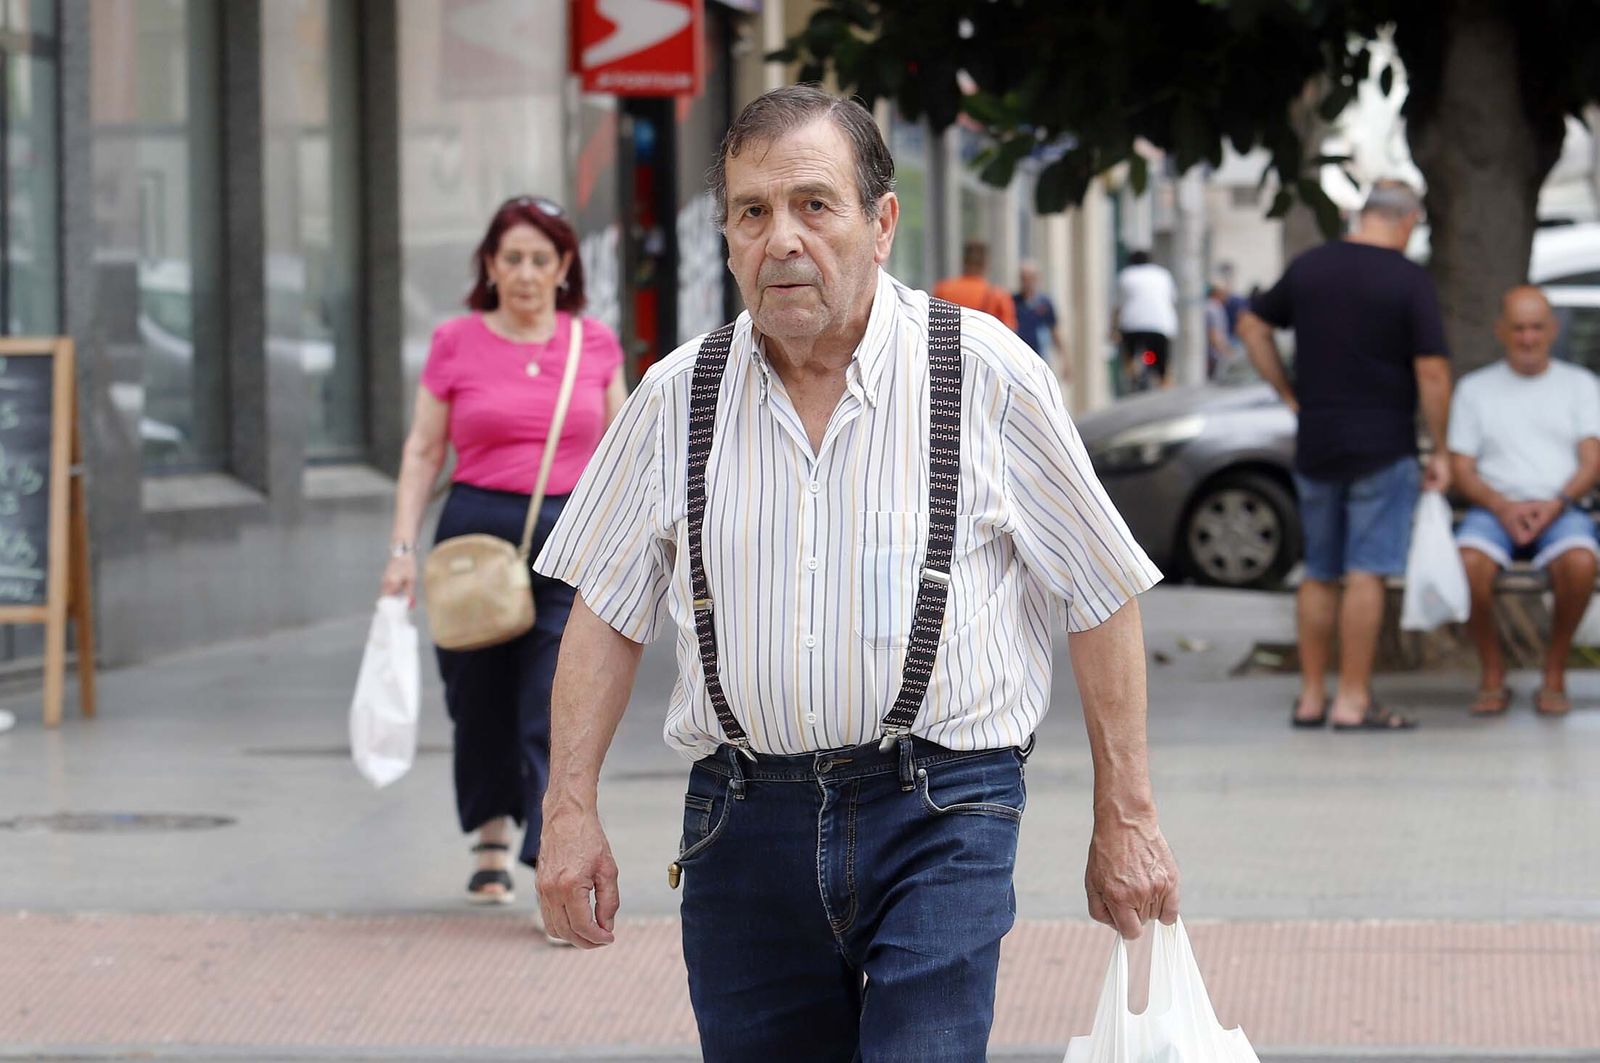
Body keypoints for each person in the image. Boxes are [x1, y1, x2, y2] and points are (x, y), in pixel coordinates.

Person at [532, 85, 1179, 1062]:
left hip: (942, 804)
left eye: (813, 205)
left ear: (881, 223)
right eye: (752, 212)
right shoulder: (676, 398)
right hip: (741, 818)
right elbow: (605, 614)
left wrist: (1124, 816)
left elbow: (1098, 591)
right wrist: (567, 810)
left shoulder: (985, 375)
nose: (781, 239)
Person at [378, 195, 626, 924]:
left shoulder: (594, 343)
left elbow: (627, 452)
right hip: (472, 540)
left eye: (539, 259)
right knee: (477, 701)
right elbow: (424, 450)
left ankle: (551, 865)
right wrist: (399, 548)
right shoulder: (455, 340)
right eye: (510, 258)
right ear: (490, 265)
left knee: (553, 701)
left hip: (569, 537)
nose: (524, 273)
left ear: (564, 267)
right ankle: (489, 831)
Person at [1238, 179, 1453, 732]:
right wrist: (1442, 446)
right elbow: (1431, 371)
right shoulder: (1408, 279)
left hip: (1317, 441)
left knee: (1319, 573)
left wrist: (1287, 393)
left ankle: (1311, 697)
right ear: (1407, 222)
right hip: (1384, 445)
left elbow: (1252, 324)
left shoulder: (1311, 267)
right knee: (1366, 573)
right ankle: (1353, 700)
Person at [1449, 286, 1600, 717]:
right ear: (1501, 331)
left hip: (1561, 507)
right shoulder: (1475, 390)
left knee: (1581, 562)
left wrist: (1555, 503)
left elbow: (1592, 461)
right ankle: (1492, 671)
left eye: (1537, 328)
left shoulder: (1581, 386)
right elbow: (1462, 468)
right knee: (1468, 562)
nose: (1528, 338)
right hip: (1493, 509)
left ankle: (1554, 670)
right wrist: (1502, 507)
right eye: (1519, 328)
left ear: (1552, 330)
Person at [1113, 250, 1177, 388]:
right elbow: (1171, 300)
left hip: (1132, 324)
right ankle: (1165, 383)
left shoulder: (1126, 275)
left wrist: (1113, 329)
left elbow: (1118, 307)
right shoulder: (1163, 275)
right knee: (1163, 363)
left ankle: (1132, 377)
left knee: (1129, 354)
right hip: (1161, 324)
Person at [933, 239, 1018, 329]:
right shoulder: (998, 296)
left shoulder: (942, 290)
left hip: (950, 341)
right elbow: (1009, 331)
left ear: (963, 261)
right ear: (985, 263)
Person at [1013, 259, 1063, 366]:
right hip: (1019, 357)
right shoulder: (1014, 302)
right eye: (1023, 279)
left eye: (1029, 278)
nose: (1026, 283)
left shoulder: (1044, 304)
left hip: (1039, 357)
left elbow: (1054, 330)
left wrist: (1063, 359)